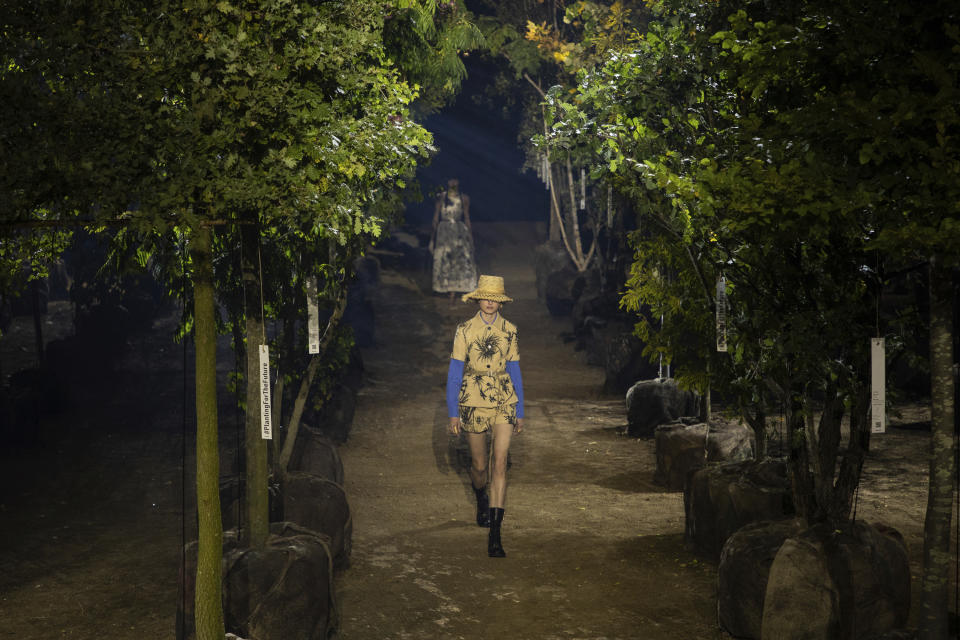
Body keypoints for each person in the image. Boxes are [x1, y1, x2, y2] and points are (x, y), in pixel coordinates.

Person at [446, 275, 525, 557]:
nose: (490, 302)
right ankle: (481, 496)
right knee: (480, 467)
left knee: (499, 463)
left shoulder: (510, 330)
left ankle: (495, 535)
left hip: (504, 397)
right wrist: (453, 413)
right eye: (486, 297)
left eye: (496, 298)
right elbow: (455, 373)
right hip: (473, 398)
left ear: (500, 302)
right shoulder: (464, 330)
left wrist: (521, 410)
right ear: (479, 299)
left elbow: (515, 369)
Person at [430, 178, 477, 301]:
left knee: (459, 258)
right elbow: (435, 218)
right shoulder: (441, 197)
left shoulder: (464, 198)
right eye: (451, 181)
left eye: (455, 181)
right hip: (444, 231)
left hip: (458, 230)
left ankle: (455, 290)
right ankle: (447, 288)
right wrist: (432, 238)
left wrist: (470, 236)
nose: (453, 183)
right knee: (444, 258)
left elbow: (466, 217)